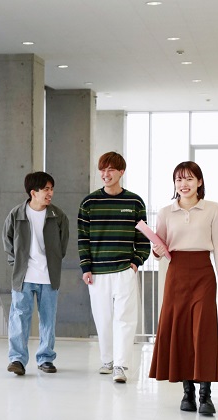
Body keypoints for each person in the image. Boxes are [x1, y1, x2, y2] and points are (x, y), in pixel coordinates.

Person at [148, 161, 218, 416]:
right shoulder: (166, 212)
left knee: (203, 332)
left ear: (199, 182)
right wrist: (156, 250)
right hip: (176, 275)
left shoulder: (212, 209)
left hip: (203, 274)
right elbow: (160, 248)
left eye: (189, 179)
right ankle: (188, 393)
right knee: (182, 331)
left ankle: (206, 395)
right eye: (179, 180)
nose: (183, 184)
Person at [78, 151, 150, 383]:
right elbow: (83, 238)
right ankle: (107, 360)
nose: (105, 174)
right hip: (98, 273)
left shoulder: (135, 202)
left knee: (125, 319)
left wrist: (136, 263)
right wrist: (86, 268)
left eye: (110, 169)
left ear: (121, 172)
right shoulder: (89, 203)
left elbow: (143, 239)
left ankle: (121, 365)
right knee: (103, 318)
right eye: (102, 169)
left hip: (124, 270)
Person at [2, 172, 70, 376]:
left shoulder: (58, 216)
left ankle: (46, 358)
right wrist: (16, 264)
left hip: (49, 276)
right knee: (19, 318)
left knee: (48, 319)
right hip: (23, 276)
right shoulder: (16, 214)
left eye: (52, 189)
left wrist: (54, 262)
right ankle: (17, 359)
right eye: (46, 189)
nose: (50, 193)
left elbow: (63, 245)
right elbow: (7, 241)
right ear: (33, 192)